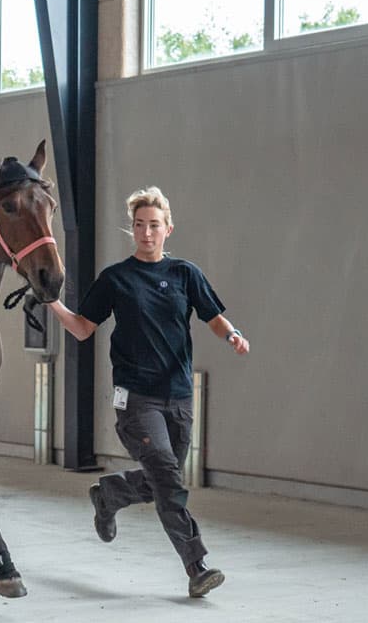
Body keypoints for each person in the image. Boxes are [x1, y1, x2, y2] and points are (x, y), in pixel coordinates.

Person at [48, 186, 249, 598]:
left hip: (178, 396)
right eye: (139, 225)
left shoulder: (184, 275)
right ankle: (197, 565)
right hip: (136, 399)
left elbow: (212, 316)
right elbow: (84, 328)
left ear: (168, 229)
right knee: (168, 479)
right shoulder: (116, 279)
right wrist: (50, 301)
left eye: (153, 225)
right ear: (133, 229)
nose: (145, 233)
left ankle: (109, 495)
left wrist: (232, 335)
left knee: (165, 477)